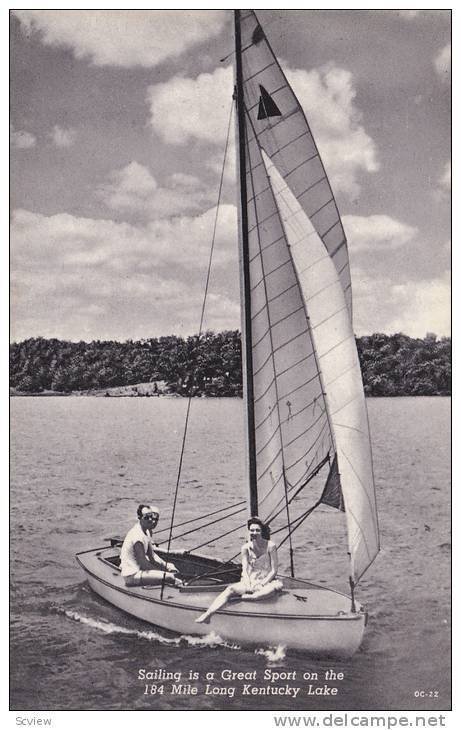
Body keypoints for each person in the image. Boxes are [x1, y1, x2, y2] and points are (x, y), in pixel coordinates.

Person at [195, 516, 283, 623]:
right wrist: (248, 583)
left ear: (262, 531)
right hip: (251, 580)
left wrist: (262, 583)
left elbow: (274, 571)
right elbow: (244, 570)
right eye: (251, 530)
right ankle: (208, 615)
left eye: (257, 530)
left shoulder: (271, 546)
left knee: (269, 591)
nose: (254, 533)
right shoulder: (245, 548)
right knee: (230, 589)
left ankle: (242, 598)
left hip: (266, 581)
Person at [120, 504, 183, 587]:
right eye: (146, 517)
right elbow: (143, 563)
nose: (150, 520)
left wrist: (167, 566)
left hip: (140, 570)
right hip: (132, 575)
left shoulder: (147, 531)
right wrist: (162, 573)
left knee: (170, 572)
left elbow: (152, 556)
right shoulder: (137, 536)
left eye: (151, 516)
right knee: (169, 577)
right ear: (139, 518)